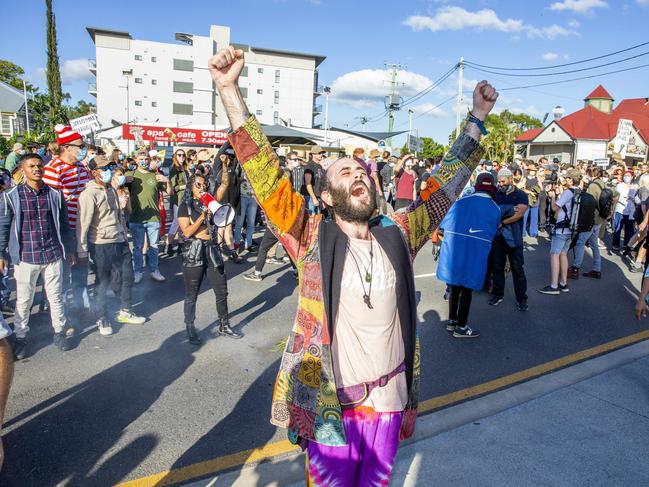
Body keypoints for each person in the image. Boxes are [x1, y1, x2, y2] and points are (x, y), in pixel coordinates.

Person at [208, 45, 497, 485]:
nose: (357, 174)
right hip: (331, 409)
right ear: (325, 197)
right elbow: (262, 172)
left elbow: (447, 185)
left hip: (390, 402)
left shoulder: (399, 231)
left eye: (361, 170)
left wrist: (476, 118)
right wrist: (230, 91)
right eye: (343, 173)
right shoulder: (308, 237)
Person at [0, 153, 76, 359]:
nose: (37, 169)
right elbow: (4, 227)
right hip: (26, 256)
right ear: (22, 170)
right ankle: (21, 336)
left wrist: (70, 249)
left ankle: (59, 332)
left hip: (52, 254)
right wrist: (1, 254)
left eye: (39, 165)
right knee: (24, 300)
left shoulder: (54, 194)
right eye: (32, 166)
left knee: (56, 296)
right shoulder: (11, 196)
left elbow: (64, 224)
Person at [77, 156, 145, 336]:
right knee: (102, 282)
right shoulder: (88, 194)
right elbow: (83, 224)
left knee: (127, 277)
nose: (108, 170)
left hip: (120, 241)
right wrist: (82, 250)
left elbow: (119, 216)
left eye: (110, 166)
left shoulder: (112, 190)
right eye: (104, 168)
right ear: (94, 172)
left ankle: (125, 310)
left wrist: (124, 235)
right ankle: (102, 317)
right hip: (100, 244)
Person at [177, 172, 240, 344]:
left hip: (211, 249)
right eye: (198, 184)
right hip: (194, 251)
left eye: (204, 184)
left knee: (222, 289)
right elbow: (187, 232)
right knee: (192, 294)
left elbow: (224, 184)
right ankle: (190, 328)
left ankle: (224, 325)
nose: (202, 187)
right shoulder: (185, 206)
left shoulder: (210, 202)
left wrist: (226, 166)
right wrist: (203, 218)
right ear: (191, 187)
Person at [437, 173, 500, 338]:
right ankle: (462, 327)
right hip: (475, 255)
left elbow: (443, 226)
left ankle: (452, 321)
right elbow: (492, 233)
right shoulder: (495, 208)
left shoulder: (460, 203)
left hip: (456, 252)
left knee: (455, 286)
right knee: (467, 289)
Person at [43, 124, 92, 315]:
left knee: (81, 270)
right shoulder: (53, 169)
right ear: (66, 147)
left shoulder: (82, 166)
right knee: (62, 274)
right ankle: (60, 312)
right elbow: (52, 205)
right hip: (65, 231)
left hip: (82, 227)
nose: (83, 149)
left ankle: (82, 307)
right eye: (80, 146)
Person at [127, 149, 172, 283]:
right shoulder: (131, 174)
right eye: (141, 159)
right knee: (137, 247)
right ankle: (138, 271)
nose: (144, 161)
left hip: (153, 218)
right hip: (136, 217)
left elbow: (169, 193)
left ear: (149, 160)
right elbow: (118, 190)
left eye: (146, 159)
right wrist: (122, 181)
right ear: (136, 160)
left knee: (154, 246)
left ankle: (154, 270)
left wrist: (167, 180)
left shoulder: (155, 175)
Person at [538, 169, 583, 295]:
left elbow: (554, 208)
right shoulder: (579, 191)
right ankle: (563, 283)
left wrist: (552, 197)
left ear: (570, 179)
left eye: (567, 178)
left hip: (562, 228)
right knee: (563, 254)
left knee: (554, 254)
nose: (565, 180)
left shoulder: (568, 192)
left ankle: (554, 285)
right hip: (572, 228)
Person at [489, 168, 529, 310]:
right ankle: (497, 294)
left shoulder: (521, 195)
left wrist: (503, 221)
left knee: (517, 268)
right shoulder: (496, 194)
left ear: (510, 179)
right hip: (498, 237)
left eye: (502, 181)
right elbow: (492, 213)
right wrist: (508, 211)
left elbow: (519, 214)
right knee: (498, 267)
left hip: (514, 237)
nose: (500, 184)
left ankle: (522, 299)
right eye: (498, 181)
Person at [571, 167, 618, 279]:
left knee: (580, 242)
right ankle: (597, 269)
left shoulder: (592, 186)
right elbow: (616, 194)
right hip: (601, 218)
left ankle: (575, 268)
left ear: (590, 174)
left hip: (592, 218)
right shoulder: (603, 183)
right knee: (593, 244)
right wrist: (610, 210)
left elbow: (589, 203)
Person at [214, 151, 243, 262]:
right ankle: (219, 250)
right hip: (221, 204)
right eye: (226, 157)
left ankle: (231, 252)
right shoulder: (219, 170)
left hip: (230, 204)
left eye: (229, 158)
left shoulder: (234, 172)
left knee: (228, 228)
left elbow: (236, 189)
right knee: (221, 227)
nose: (227, 159)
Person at [166, 149, 189, 256]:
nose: (181, 157)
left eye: (183, 155)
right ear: (175, 156)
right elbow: (173, 187)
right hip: (178, 199)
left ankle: (180, 244)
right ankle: (168, 245)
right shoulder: (174, 169)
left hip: (186, 199)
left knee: (182, 223)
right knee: (176, 222)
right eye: (179, 155)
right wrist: (186, 186)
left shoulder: (185, 168)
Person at [612, 170, 637, 251]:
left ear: (632, 177)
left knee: (629, 229)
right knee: (618, 227)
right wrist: (626, 200)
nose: (626, 177)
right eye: (625, 175)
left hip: (630, 212)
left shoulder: (635, 186)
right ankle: (615, 244)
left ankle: (626, 244)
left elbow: (635, 198)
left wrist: (631, 200)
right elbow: (618, 197)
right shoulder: (620, 185)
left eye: (628, 175)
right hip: (620, 210)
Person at [522, 162, 541, 238]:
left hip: (535, 200)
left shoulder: (537, 179)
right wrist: (530, 192)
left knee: (534, 217)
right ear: (529, 171)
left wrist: (539, 179)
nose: (533, 172)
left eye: (534, 171)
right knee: (524, 217)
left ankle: (533, 232)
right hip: (527, 199)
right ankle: (522, 232)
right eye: (532, 170)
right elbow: (522, 189)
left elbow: (541, 188)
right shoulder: (525, 179)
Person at [305, 146, 326, 214]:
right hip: (310, 197)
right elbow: (308, 183)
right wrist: (314, 198)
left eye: (322, 153)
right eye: (319, 153)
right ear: (313, 154)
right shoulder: (310, 165)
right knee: (312, 219)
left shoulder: (320, 166)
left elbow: (321, 183)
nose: (321, 155)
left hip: (318, 197)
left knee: (317, 219)